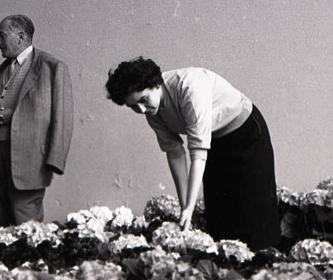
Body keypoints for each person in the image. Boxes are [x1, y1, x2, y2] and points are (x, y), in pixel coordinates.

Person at [105, 57, 280, 250]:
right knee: (219, 214)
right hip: (214, 141)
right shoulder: (151, 112)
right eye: (133, 106)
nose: (141, 109)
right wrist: (185, 207)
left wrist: (189, 208)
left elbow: (197, 154)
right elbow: (175, 153)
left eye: (143, 100)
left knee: (255, 209)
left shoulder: (188, 88)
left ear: (156, 84)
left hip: (246, 133)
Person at [0, 15, 73, 225]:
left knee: (26, 224)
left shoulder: (52, 67)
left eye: (2, 36)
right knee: (3, 223)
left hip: (30, 159)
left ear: (20, 36)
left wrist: (54, 159)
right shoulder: (3, 69)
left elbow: (62, 117)